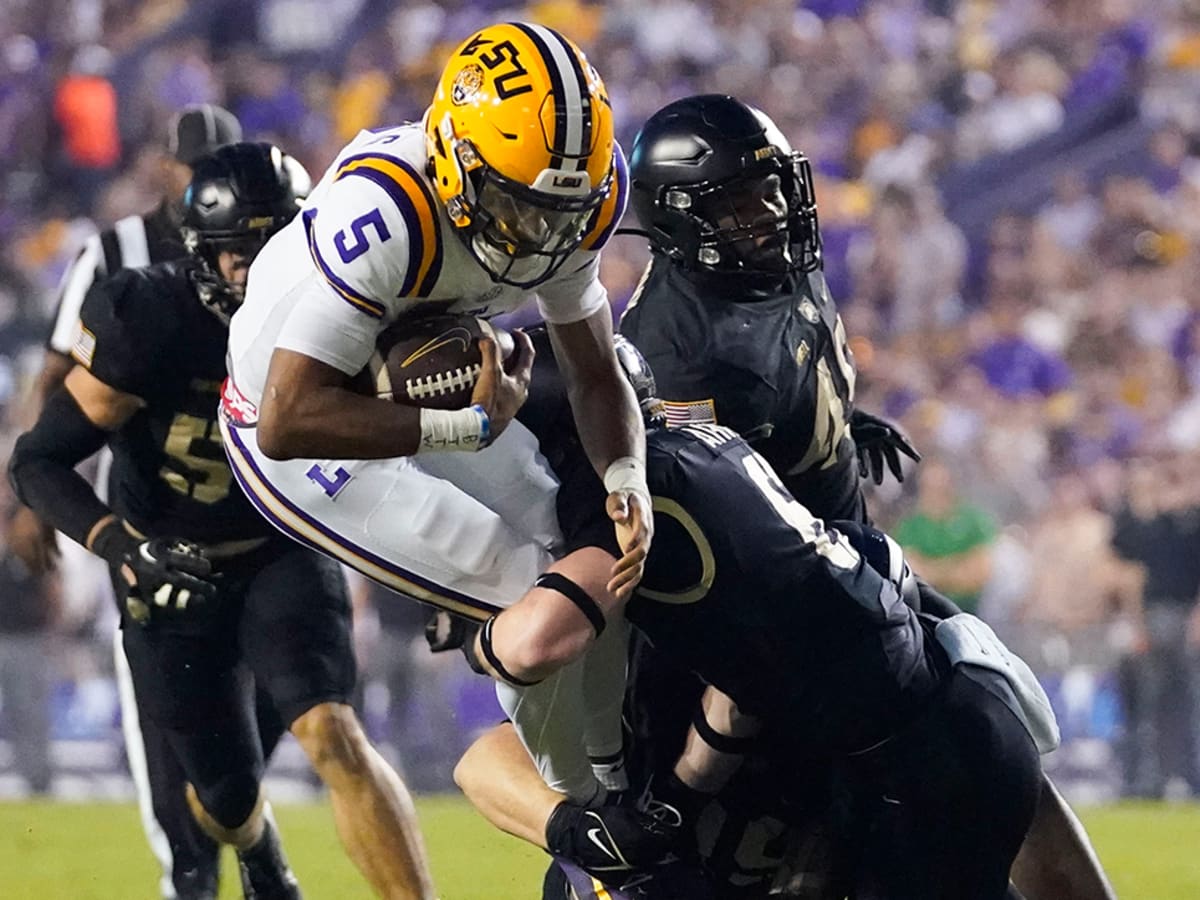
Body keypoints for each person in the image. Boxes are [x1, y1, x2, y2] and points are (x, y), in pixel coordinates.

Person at [220, 22, 650, 804]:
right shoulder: (389, 214)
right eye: (517, 208)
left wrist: (628, 477)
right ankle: (586, 822)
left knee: (586, 556)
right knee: (533, 600)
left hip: (412, 383)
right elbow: (286, 420)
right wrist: (466, 427)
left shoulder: (568, 198)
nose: (539, 237)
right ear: (454, 158)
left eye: (558, 213)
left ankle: (624, 775)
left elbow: (595, 369)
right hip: (293, 433)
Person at [461, 334, 1052, 899]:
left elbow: (534, 644)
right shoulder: (712, 455)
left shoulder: (629, 519)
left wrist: (476, 639)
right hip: (945, 711)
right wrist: (620, 819)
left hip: (907, 760)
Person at [9, 143, 435, 900]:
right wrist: (126, 547)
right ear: (202, 253)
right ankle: (260, 843)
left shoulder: (347, 316)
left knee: (334, 735)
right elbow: (40, 462)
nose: (256, 271)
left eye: (274, 248)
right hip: (170, 568)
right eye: (239, 254)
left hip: (281, 550)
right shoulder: (148, 317)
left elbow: (408, 448)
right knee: (224, 801)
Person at [9, 103, 264, 900]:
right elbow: (56, 383)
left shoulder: (268, 245)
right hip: (147, 514)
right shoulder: (116, 252)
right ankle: (188, 873)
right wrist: (28, 506)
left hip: (261, 522)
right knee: (162, 716)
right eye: (195, 168)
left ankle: (248, 847)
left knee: (261, 716)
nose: (205, 182)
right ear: (167, 168)